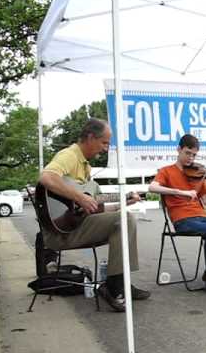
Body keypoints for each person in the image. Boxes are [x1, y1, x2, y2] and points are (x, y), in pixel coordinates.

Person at [39, 118, 150, 312]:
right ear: (90, 137)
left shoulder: (86, 168)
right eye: (104, 142)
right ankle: (114, 287)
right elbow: (46, 177)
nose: (106, 148)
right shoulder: (69, 155)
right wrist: (79, 197)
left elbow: (95, 208)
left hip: (77, 226)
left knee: (123, 216)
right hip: (60, 232)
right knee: (125, 220)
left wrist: (123, 202)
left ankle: (119, 283)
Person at [149, 134, 206, 295]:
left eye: (194, 155)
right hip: (182, 220)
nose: (190, 158)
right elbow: (152, 187)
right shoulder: (166, 171)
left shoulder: (199, 173)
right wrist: (179, 192)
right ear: (178, 150)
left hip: (201, 217)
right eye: (187, 153)